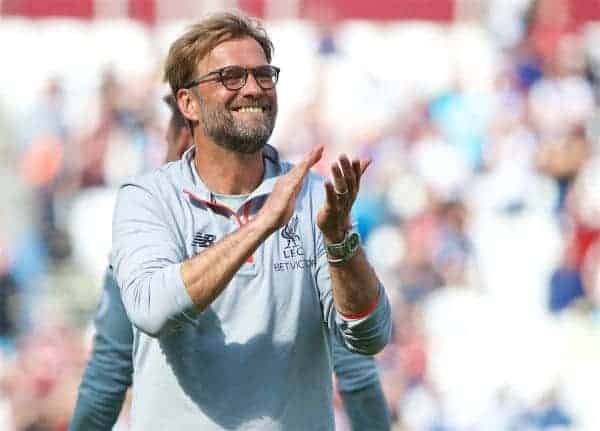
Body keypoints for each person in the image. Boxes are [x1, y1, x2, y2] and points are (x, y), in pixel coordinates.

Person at [110, 12, 391, 430]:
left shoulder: (312, 195)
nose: (254, 88)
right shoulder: (148, 198)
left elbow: (369, 335)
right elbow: (153, 309)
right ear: (188, 103)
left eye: (263, 74)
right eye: (231, 76)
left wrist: (339, 243)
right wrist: (260, 225)